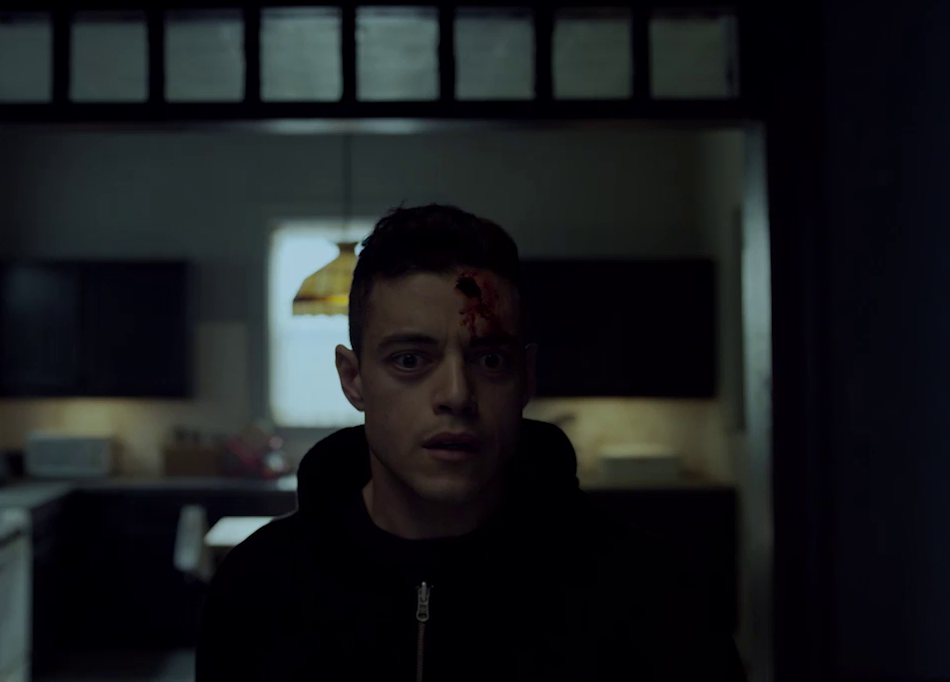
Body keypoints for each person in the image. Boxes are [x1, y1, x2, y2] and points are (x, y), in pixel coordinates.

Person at [196, 204, 745, 680]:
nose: (457, 395)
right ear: (353, 379)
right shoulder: (257, 590)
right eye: (410, 359)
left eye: (490, 360)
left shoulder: (647, 594)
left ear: (526, 378)